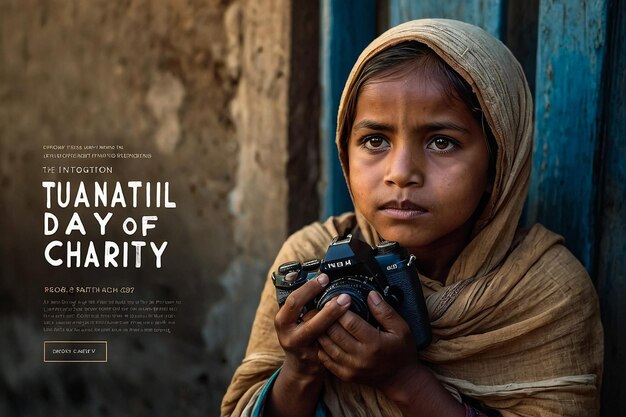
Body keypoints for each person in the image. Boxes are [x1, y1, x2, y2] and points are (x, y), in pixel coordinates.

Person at [220, 18, 603, 417]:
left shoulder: (546, 292)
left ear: (498, 163)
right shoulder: (310, 261)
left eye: (442, 142)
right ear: (345, 152)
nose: (401, 172)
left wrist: (402, 380)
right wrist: (300, 369)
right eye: (375, 140)